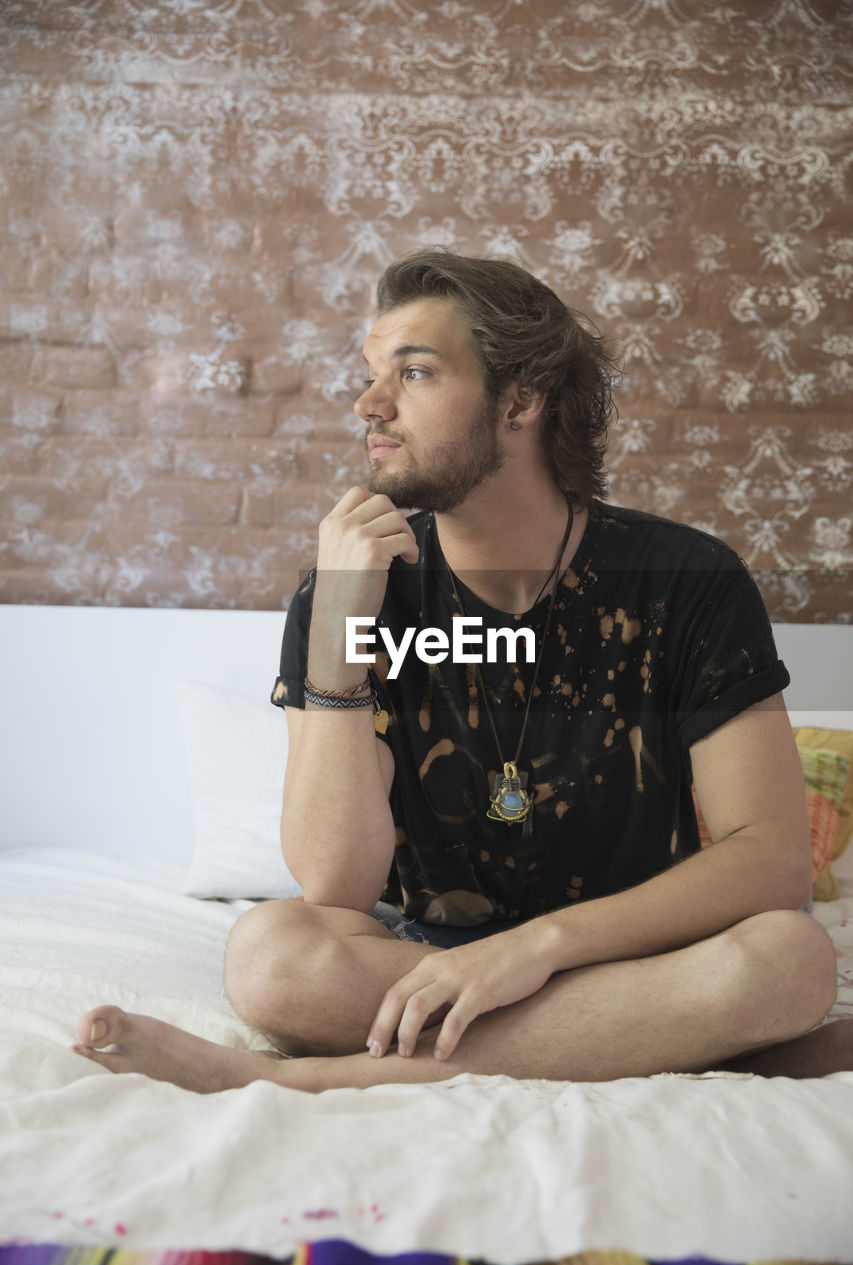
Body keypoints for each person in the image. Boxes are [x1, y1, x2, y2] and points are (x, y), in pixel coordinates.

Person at [74, 248, 850, 1093]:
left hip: (634, 947)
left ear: (519, 399)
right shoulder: (349, 593)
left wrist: (533, 950)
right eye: (371, 375)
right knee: (272, 957)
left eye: (412, 373)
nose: (368, 405)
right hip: (429, 958)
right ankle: (663, 1039)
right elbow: (337, 881)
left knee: (789, 955)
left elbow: (770, 858)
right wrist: (337, 632)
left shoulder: (682, 582)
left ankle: (314, 1080)